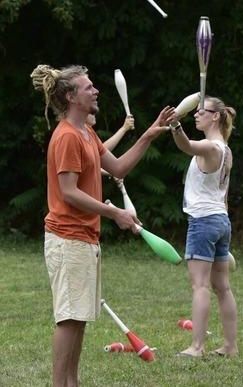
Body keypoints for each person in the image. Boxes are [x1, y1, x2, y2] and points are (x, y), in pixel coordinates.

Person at [30, 64, 170, 387]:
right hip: (68, 239)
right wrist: (114, 213)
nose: (96, 91)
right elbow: (68, 192)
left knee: (78, 320)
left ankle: (71, 383)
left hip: (84, 239)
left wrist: (148, 134)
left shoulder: (86, 133)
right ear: (71, 96)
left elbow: (118, 166)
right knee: (68, 320)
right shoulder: (66, 136)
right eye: (88, 87)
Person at [164, 96, 238, 357]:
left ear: (215, 116)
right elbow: (224, 195)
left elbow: (187, 146)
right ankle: (230, 346)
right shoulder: (226, 150)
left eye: (201, 112)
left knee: (200, 285)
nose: (196, 114)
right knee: (223, 287)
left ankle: (197, 346)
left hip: (204, 221)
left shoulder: (212, 147)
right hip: (220, 219)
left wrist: (175, 126)